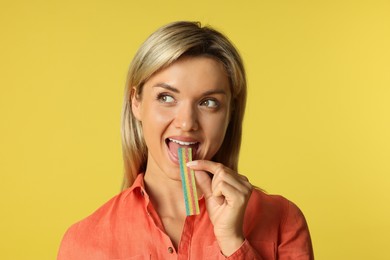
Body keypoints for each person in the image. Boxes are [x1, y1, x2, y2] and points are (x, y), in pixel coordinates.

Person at [57, 21, 314, 259]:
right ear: (136, 102)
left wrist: (233, 242)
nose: (186, 122)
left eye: (208, 102)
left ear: (230, 113)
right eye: (166, 97)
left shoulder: (282, 220)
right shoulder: (84, 242)